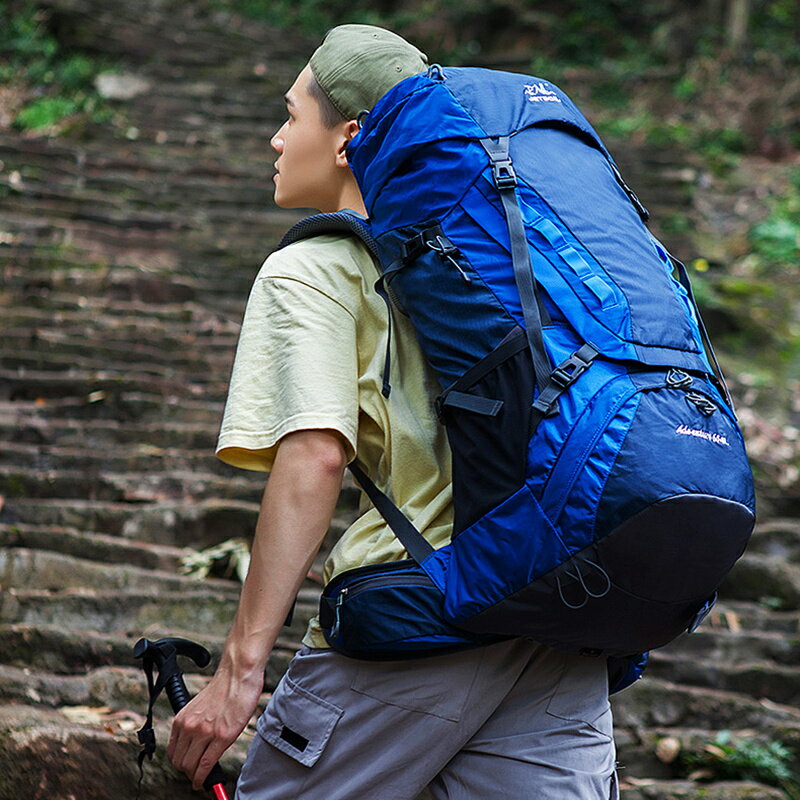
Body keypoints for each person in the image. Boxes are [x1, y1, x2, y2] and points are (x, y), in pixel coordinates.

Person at [167, 24, 617, 800]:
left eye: (292, 116)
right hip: (558, 620)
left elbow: (314, 457)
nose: (276, 139)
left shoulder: (312, 268)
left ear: (347, 138)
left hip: (418, 619)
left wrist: (241, 672)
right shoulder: (514, 267)